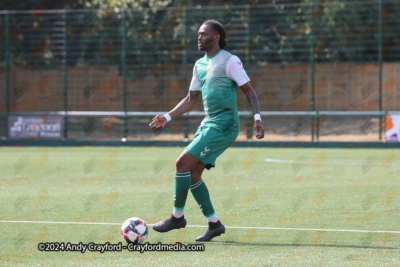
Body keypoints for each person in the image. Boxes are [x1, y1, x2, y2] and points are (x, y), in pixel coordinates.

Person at [149, 19, 264, 242]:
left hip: (224, 126)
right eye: (199, 34)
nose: (199, 37)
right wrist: (167, 117)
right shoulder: (199, 65)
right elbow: (191, 98)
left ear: (216, 36)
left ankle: (177, 217)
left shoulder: (230, 61)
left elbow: (249, 92)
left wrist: (257, 118)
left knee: (181, 163)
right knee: (192, 174)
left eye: (204, 34)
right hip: (208, 124)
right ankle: (214, 224)